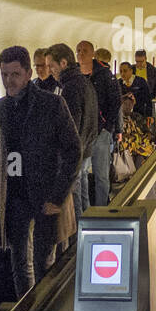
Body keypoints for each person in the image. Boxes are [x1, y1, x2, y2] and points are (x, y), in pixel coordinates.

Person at [0, 46, 81, 297]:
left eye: (15, 74)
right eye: (4, 74)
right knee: (19, 263)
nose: (9, 80)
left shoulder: (52, 104)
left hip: (45, 195)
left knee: (43, 261)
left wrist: (58, 196)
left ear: (28, 74)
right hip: (14, 196)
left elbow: (73, 151)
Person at [49, 42, 99, 219]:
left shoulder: (69, 88)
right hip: (86, 148)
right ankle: (90, 224)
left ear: (63, 63)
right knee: (83, 189)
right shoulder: (84, 82)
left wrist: (65, 152)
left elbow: (71, 125)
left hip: (76, 151)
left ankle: (80, 236)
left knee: (75, 193)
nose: (50, 70)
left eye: (51, 66)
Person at [80, 42, 122, 207]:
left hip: (100, 132)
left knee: (101, 175)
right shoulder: (76, 76)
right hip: (83, 133)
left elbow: (115, 101)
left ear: (93, 54)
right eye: (78, 51)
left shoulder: (104, 75)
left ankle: (101, 209)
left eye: (84, 51)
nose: (81, 54)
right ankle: (85, 211)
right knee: (81, 174)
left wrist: (109, 127)